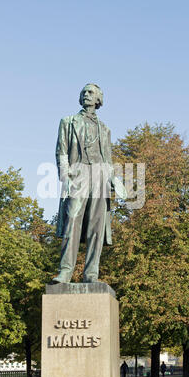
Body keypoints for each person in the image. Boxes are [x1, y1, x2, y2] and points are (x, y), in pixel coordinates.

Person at [52, 83, 116, 284]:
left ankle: (91, 274)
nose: (86, 95)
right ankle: (65, 272)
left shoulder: (104, 129)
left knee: (96, 227)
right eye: (84, 92)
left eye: (91, 92)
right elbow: (61, 151)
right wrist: (65, 176)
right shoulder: (68, 122)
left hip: (99, 177)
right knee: (72, 220)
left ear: (99, 100)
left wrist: (113, 180)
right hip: (77, 175)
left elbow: (107, 159)